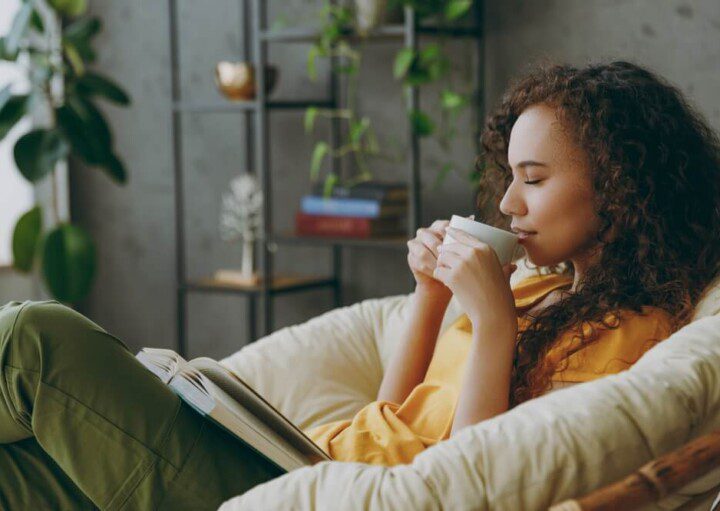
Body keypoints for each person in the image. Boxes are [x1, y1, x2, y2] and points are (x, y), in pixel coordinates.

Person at [1, 60, 719, 509]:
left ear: (622, 187)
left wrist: (492, 321)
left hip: (288, 494)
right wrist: (432, 299)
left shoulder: (631, 334)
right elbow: (391, 413)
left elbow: (477, 482)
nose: (507, 204)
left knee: (35, 339)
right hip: (305, 463)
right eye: (511, 178)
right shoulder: (536, 288)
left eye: (534, 180)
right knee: (16, 469)